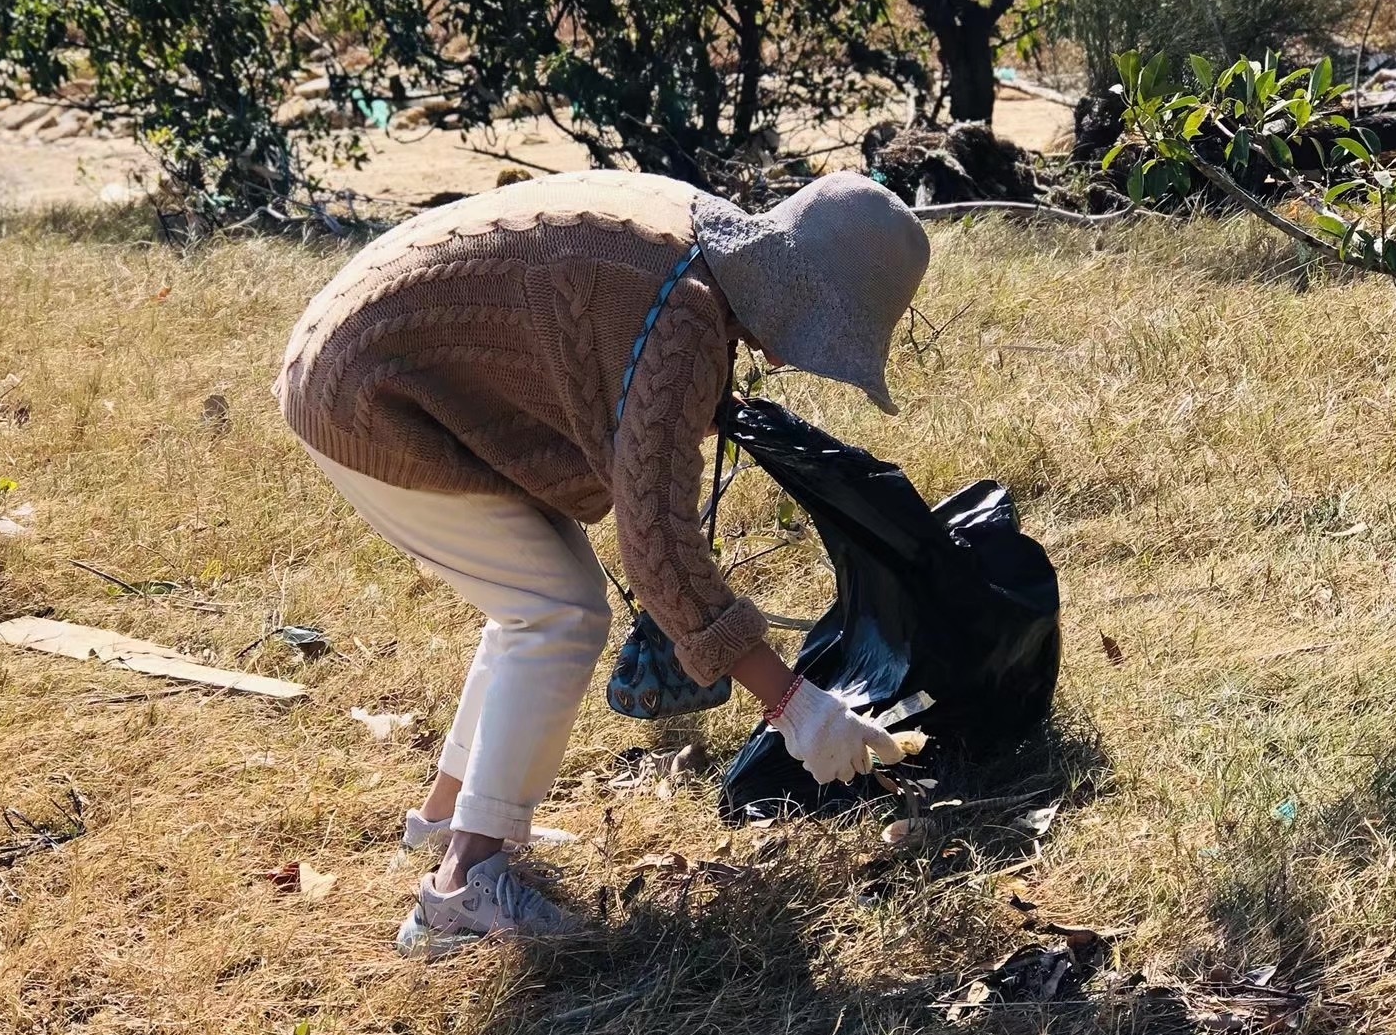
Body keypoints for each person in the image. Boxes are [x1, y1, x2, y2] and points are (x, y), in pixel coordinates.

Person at [274, 169, 929, 948]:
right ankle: (459, 896)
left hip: (353, 345)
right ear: (799, 294)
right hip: (362, 392)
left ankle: (451, 817)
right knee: (557, 612)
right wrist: (797, 707)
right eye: (825, 328)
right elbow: (657, 547)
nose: (806, 358)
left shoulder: (698, 241)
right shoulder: (682, 318)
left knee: (543, 597)